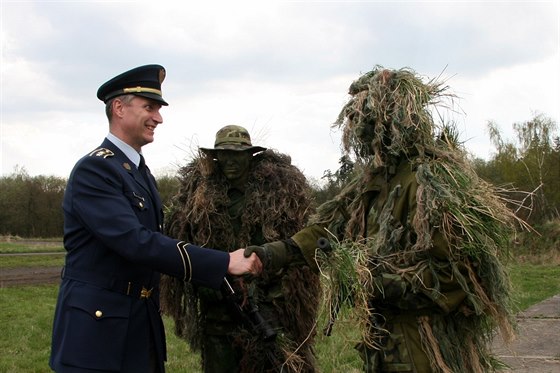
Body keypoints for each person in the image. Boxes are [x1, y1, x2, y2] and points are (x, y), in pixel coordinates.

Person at [245, 67, 522, 372]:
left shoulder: (432, 184)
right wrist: (272, 253)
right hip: (384, 341)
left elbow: (458, 277)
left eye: (369, 121)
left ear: (396, 119)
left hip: (427, 345)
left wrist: (371, 281)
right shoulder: (373, 183)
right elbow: (330, 230)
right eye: (357, 122)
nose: (361, 131)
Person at [49, 65, 262, 373]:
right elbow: (137, 243)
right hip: (98, 334)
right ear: (119, 108)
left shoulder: (140, 173)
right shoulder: (94, 171)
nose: (158, 118)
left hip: (138, 325)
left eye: (159, 109)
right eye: (149, 107)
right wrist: (222, 262)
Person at [160, 125, 321, 373]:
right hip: (218, 314)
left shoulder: (277, 198)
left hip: (267, 310)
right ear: (216, 158)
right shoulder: (199, 200)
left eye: (236, 154)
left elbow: (293, 248)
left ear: (250, 156)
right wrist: (208, 284)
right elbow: (188, 247)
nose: (230, 161)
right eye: (224, 155)